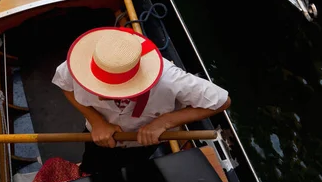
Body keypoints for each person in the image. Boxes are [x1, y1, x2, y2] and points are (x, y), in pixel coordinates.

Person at [52, 27, 231, 174]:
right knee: (91, 166)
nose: (98, 96)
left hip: (141, 143)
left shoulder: (170, 80)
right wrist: (96, 121)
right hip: (97, 136)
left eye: (106, 92)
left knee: (134, 168)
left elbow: (223, 101)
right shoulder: (78, 66)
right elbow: (65, 85)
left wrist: (164, 122)